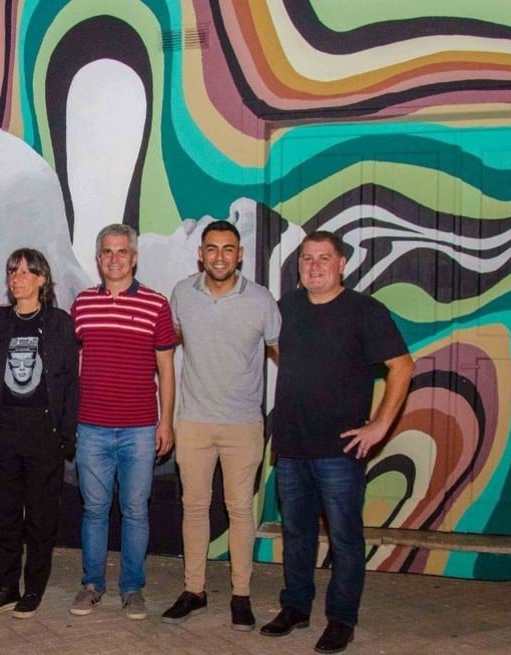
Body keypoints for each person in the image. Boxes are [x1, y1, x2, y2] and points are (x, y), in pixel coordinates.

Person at [260, 231, 413, 654]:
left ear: (342, 264)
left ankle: (342, 619)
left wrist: (380, 425)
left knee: (345, 539)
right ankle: (296, 607)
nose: (314, 266)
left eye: (323, 258)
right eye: (307, 259)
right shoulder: (287, 307)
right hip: (291, 445)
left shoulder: (365, 311)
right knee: (296, 534)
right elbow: (281, 352)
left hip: (340, 451)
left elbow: (402, 366)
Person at [160, 220, 279, 629]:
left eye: (228, 249)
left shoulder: (261, 300)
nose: (220, 257)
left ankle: (241, 595)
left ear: (240, 254)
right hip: (193, 421)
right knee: (194, 508)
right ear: (201, 254)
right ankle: (194, 590)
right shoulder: (182, 294)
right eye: (212, 248)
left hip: (243, 425)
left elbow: (284, 352)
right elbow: (168, 343)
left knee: (240, 510)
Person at [68, 223, 177, 620]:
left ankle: (132, 589)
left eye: (122, 251)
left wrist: (166, 423)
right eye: (107, 252)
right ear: (98, 259)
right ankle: (92, 585)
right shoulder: (82, 304)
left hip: (140, 429)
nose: (114, 259)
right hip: (91, 427)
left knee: (135, 512)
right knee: (94, 511)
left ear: (133, 258)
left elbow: (166, 369)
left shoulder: (156, 304)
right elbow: (72, 363)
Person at [0, 249, 78, 619]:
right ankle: (6, 587)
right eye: (12, 271)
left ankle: (34, 587)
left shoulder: (59, 323)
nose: (17, 277)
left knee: (41, 517)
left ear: (41, 279)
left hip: (43, 434)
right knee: (4, 517)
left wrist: (66, 435)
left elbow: (71, 383)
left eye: (25, 271)